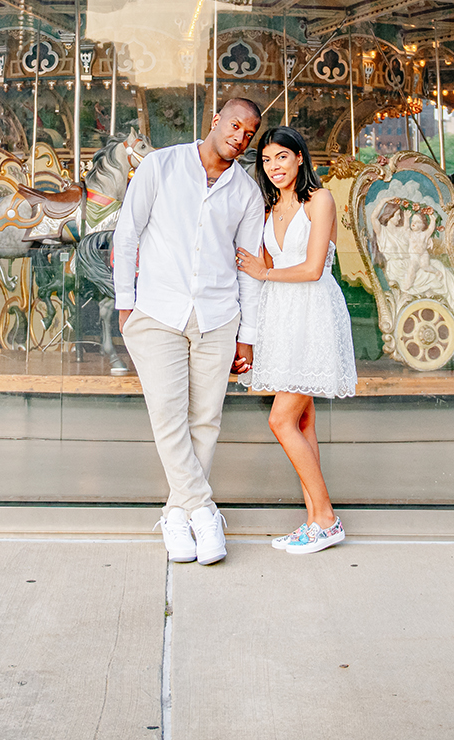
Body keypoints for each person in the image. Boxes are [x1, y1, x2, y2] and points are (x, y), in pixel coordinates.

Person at [112, 96, 264, 566]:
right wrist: (125, 304)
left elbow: (250, 269)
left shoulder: (246, 193)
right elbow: (127, 233)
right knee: (168, 413)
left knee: (206, 419)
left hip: (218, 316)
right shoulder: (161, 165)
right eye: (234, 125)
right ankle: (204, 510)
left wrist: (249, 334)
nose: (240, 136)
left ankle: (178, 515)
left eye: (249, 132)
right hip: (157, 310)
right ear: (215, 120)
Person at [234, 126, 356, 555]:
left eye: (282, 157)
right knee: (303, 422)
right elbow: (262, 263)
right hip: (280, 316)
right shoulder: (270, 208)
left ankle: (326, 518)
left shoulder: (318, 201)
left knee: (280, 420)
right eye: (267, 161)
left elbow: (312, 268)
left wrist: (263, 271)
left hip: (312, 313)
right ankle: (314, 522)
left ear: (299, 158)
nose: (274, 167)